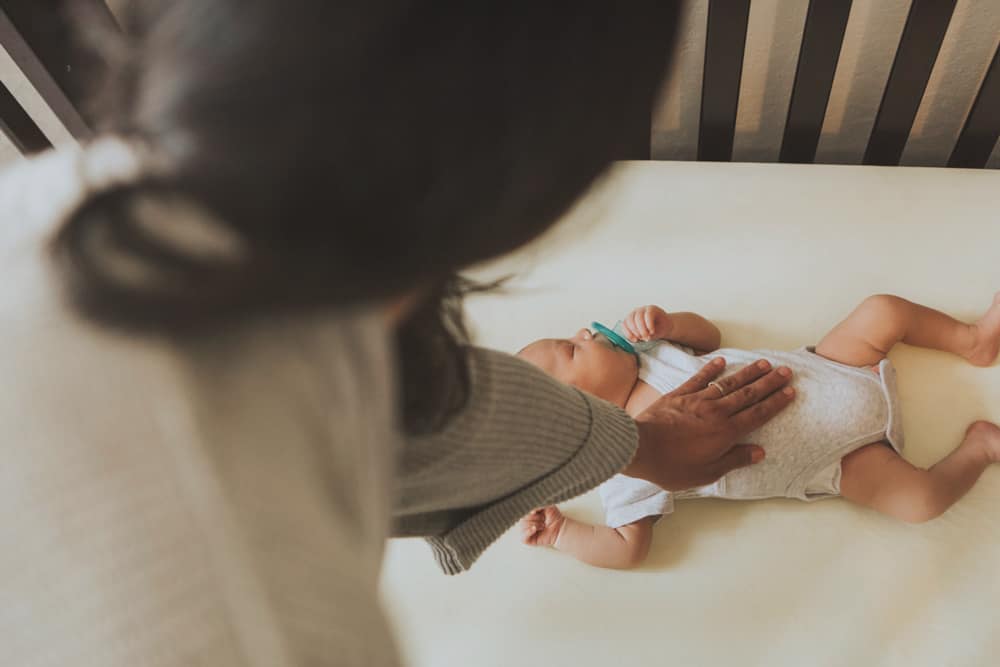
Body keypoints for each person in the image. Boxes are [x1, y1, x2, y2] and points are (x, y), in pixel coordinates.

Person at [0, 2, 795, 665]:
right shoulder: (261, 626)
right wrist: (602, 486)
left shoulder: (79, 198)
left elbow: (446, 404)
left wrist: (634, 439)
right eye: (563, 353)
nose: (572, 344)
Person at [516, 296, 1000, 569]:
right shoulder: (624, 466)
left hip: (830, 365)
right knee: (919, 501)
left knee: (882, 311)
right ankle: (979, 447)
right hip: (839, 460)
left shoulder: (650, 352)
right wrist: (562, 532)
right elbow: (628, 548)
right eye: (572, 349)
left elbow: (709, 339)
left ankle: (973, 341)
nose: (584, 332)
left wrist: (670, 322)